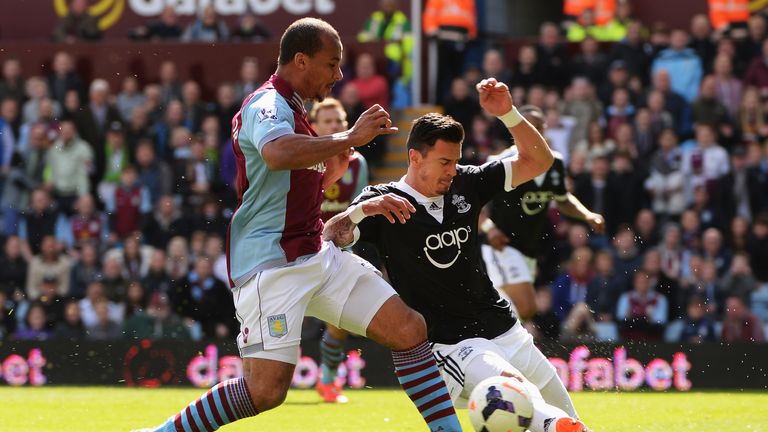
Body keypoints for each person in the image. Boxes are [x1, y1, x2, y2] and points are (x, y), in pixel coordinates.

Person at [138, 18, 462, 432]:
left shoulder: (296, 111)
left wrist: (331, 178)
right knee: (265, 392)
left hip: (316, 254)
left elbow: (286, 186)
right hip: (270, 264)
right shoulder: (267, 103)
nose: (339, 74)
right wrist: (347, 138)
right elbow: (275, 154)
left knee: (408, 328)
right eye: (332, 64)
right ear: (301, 60)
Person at [323, 79, 589, 432]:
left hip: (505, 327)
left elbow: (538, 161)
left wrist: (507, 114)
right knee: (517, 395)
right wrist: (360, 211)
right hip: (452, 343)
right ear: (415, 157)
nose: (452, 170)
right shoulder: (381, 201)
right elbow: (331, 236)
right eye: (444, 162)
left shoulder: (467, 182)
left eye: (455, 161)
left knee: (567, 416)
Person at [481, 106, 604, 320]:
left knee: (520, 313)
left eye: (538, 127)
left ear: (545, 130)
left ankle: (493, 342)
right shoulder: (500, 162)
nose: (533, 132)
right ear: (515, 131)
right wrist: (489, 229)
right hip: (502, 244)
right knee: (525, 307)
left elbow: (563, 200)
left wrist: (587, 215)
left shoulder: (555, 162)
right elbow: (475, 203)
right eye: (527, 127)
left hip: (530, 249)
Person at [306, 98, 370, 403]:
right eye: (328, 121)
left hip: (337, 249)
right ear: (315, 127)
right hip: (300, 247)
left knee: (339, 321)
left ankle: (328, 380)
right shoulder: (303, 157)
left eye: (339, 121)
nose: (335, 126)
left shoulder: (357, 163)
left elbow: (358, 210)